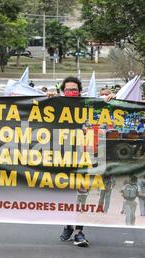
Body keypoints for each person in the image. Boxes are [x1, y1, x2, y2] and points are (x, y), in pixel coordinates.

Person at [57, 76, 89, 247]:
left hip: (83, 157)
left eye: (74, 89)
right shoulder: (55, 106)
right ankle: (68, 225)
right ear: (63, 92)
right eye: (68, 89)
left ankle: (79, 232)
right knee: (67, 195)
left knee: (82, 195)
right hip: (62, 158)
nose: (71, 92)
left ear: (79, 92)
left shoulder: (87, 106)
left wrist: (109, 99)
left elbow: (105, 110)